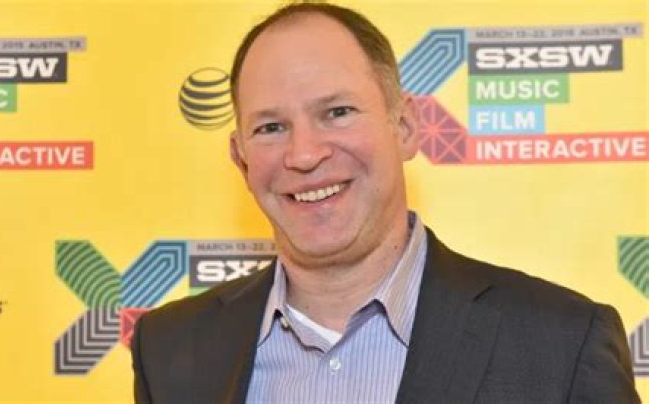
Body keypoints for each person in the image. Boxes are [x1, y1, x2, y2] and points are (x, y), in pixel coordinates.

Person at [131, 3, 640, 403]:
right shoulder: (170, 349)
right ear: (240, 159)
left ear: (406, 127)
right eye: (270, 127)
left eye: (337, 112)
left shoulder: (561, 342)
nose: (304, 154)